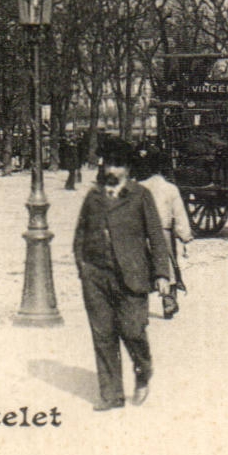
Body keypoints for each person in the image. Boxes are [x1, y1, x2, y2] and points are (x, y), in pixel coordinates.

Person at [74, 138, 174, 410]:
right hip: (96, 277)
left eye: (118, 165)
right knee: (103, 334)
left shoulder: (140, 196)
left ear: (128, 169)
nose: (112, 170)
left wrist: (162, 274)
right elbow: (80, 234)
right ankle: (111, 395)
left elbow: (156, 235)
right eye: (108, 163)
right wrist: (84, 269)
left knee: (132, 330)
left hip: (132, 275)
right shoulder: (93, 197)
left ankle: (143, 370)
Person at [136, 145, 191, 315]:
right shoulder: (170, 189)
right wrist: (184, 234)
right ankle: (168, 299)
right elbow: (179, 214)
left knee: (142, 265)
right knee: (167, 264)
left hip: (141, 233)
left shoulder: (137, 188)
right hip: (163, 232)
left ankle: (139, 302)